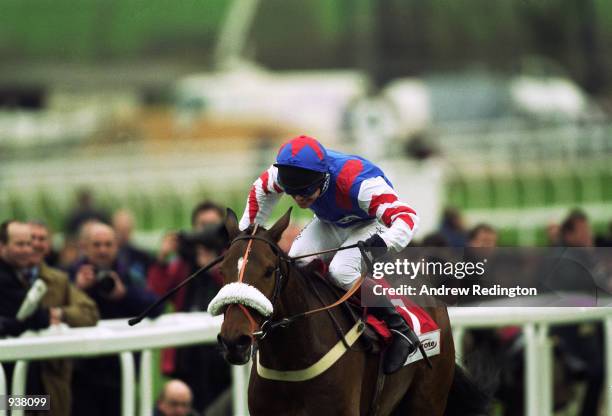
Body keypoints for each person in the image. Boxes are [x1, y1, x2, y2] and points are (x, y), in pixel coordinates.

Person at [239, 135, 421, 374]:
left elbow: (408, 217)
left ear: (324, 178)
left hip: (371, 223)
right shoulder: (282, 174)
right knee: (297, 263)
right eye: (293, 194)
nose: (300, 199)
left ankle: (400, 330)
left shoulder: (359, 182)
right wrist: (246, 238)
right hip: (332, 221)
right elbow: (259, 192)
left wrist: (383, 243)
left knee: (341, 271)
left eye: (306, 192)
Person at [68, 222, 161, 416]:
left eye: (108, 244)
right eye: (97, 245)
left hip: (120, 372)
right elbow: (53, 310)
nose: (103, 250)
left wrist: (124, 294)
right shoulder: (68, 274)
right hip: (78, 373)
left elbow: (157, 306)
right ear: (84, 247)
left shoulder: (128, 275)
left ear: (117, 246)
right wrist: (76, 289)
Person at [148, 201, 230, 413]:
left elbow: (234, 294)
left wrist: (213, 268)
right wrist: (163, 258)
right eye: (202, 226)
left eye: (213, 225)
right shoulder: (183, 263)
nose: (207, 232)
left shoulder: (232, 258)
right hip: (187, 358)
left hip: (223, 357)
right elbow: (154, 297)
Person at [28, 220, 100, 416]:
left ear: (49, 245)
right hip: (12, 379)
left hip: (49, 383)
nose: (36, 244)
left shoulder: (57, 279)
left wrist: (59, 313)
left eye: (42, 239)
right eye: (30, 238)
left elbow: (89, 312)